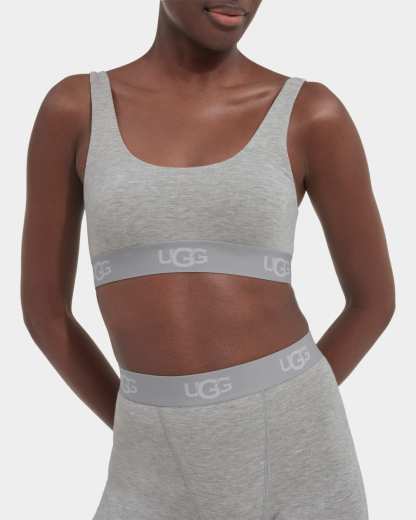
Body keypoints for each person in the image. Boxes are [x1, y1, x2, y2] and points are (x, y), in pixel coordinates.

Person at [21, 1, 395, 519]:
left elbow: (374, 302)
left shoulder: (311, 113)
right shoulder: (76, 109)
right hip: (147, 464)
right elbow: (45, 313)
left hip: (296, 458)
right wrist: (141, 423)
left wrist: (289, 406)